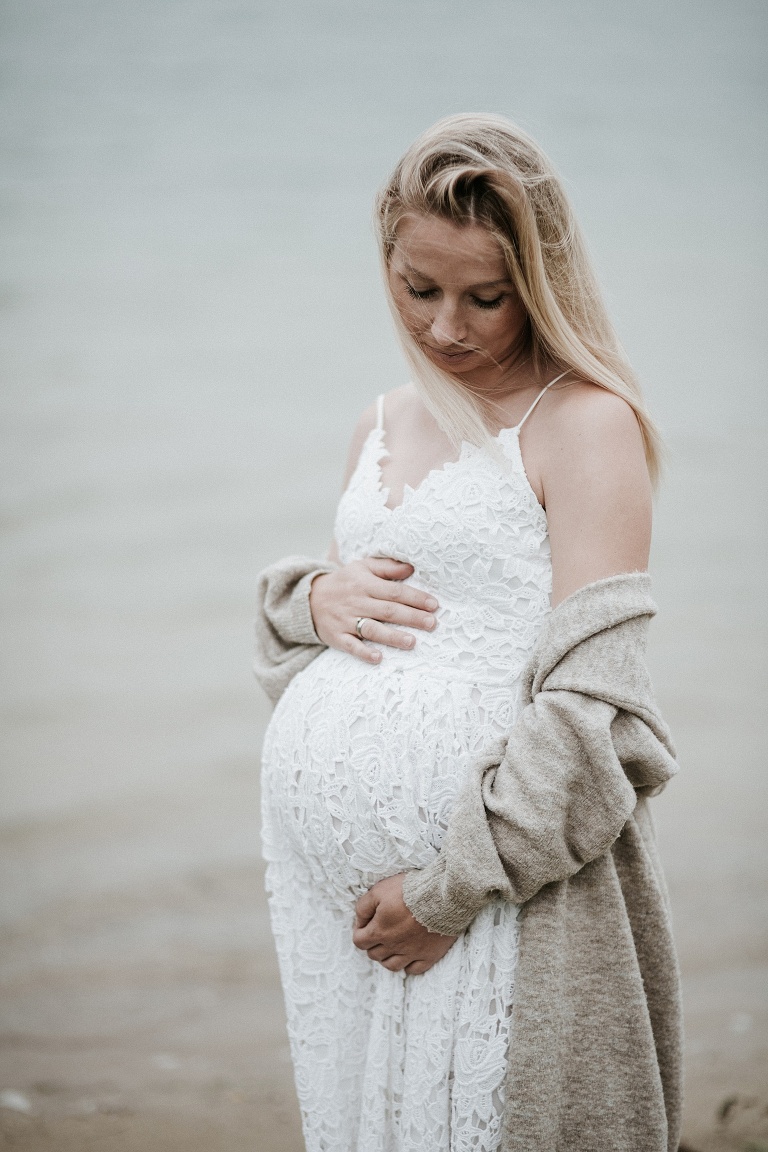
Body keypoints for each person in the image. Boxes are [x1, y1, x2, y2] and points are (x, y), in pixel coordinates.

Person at [254, 113, 682, 1152]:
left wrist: (447, 894)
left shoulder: (586, 424)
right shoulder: (381, 421)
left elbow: (598, 710)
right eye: (419, 288)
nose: (448, 326)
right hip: (348, 923)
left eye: (485, 296)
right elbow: (379, 637)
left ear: (539, 278)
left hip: (492, 903)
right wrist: (308, 603)